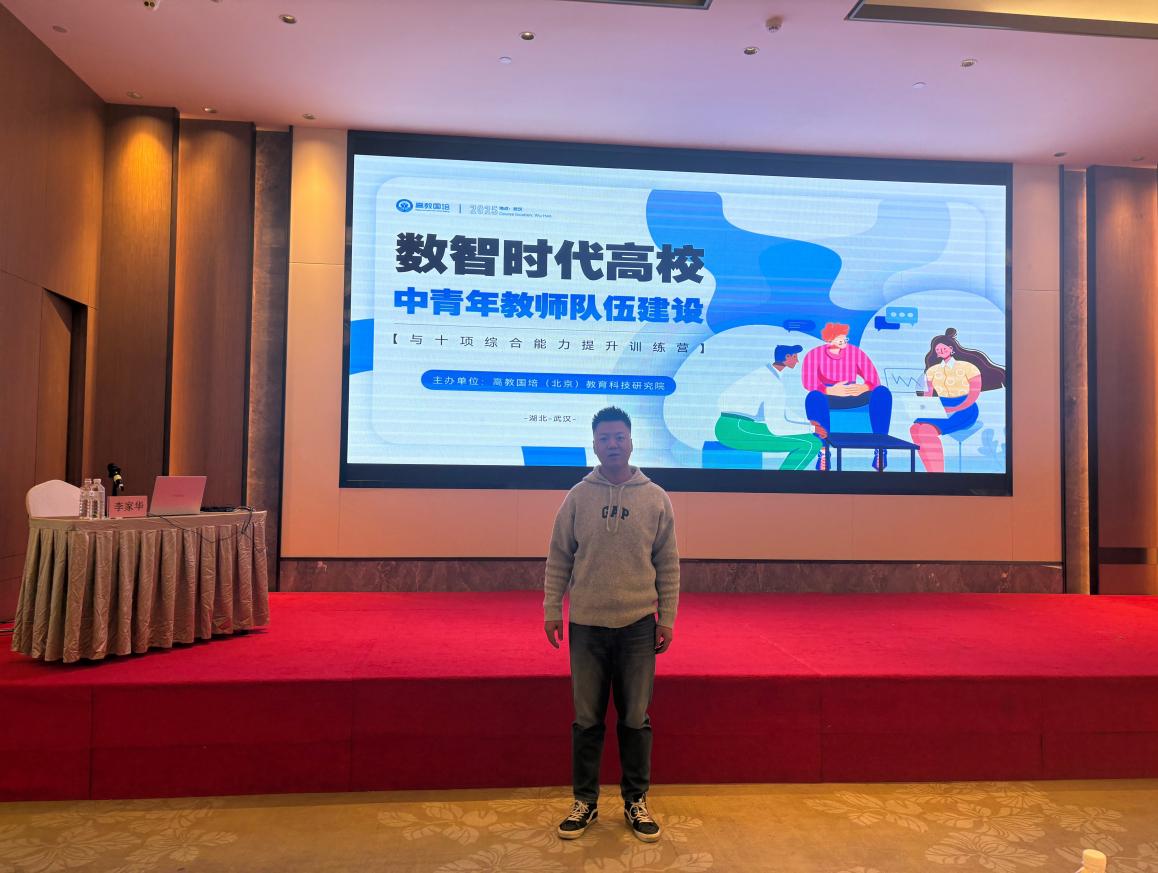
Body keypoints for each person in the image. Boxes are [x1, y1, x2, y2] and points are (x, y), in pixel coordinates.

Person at [544, 406, 680, 843]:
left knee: (635, 719)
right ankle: (584, 802)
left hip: (638, 625)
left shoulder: (655, 498)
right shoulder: (577, 497)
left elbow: (668, 564)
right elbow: (559, 556)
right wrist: (552, 608)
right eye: (604, 438)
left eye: (619, 437)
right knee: (586, 720)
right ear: (594, 444)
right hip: (586, 624)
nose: (613, 444)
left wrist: (667, 616)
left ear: (632, 441)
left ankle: (636, 801)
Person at [909, 327, 1006, 472]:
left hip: (965, 407)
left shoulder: (968, 367)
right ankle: (932, 473)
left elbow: (973, 395)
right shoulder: (932, 371)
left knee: (925, 431)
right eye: (937, 349)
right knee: (915, 428)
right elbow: (928, 396)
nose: (941, 351)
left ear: (951, 349)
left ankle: (937, 475)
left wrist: (955, 408)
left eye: (943, 348)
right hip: (940, 407)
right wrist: (926, 408)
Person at [714, 343, 825, 470]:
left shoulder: (767, 374)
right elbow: (776, 427)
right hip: (736, 429)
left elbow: (781, 410)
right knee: (811, 443)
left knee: (809, 438)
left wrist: (806, 422)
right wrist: (811, 428)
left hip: (736, 425)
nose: (797, 361)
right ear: (787, 357)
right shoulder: (771, 381)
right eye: (795, 357)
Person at [801, 322, 893, 471]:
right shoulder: (814, 354)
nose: (844, 341)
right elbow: (808, 382)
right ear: (829, 339)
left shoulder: (855, 352)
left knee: (882, 393)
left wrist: (864, 387)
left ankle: (880, 448)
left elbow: (874, 379)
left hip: (854, 396)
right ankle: (823, 451)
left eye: (845, 338)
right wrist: (830, 390)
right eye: (840, 338)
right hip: (829, 397)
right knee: (813, 398)